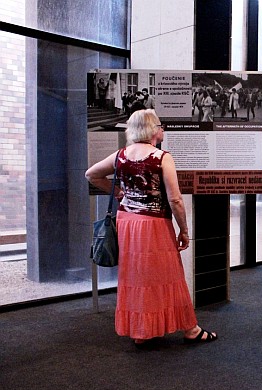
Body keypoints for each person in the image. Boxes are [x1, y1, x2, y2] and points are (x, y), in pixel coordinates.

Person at [85, 109, 217, 348]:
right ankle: (191, 329)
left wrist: (118, 193)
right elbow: (175, 200)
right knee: (168, 274)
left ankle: (143, 331)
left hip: (127, 221)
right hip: (154, 223)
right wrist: (184, 230)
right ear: (154, 129)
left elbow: (91, 174)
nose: (163, 130)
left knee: (137, 275)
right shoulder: (161, 157)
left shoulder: (121, 155)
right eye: (161, 126)